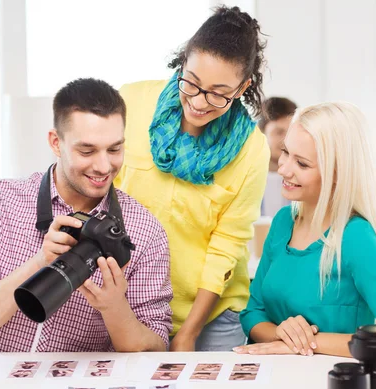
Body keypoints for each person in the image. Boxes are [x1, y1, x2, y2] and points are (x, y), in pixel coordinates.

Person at [0, 78, 173, 352]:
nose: (103, 166)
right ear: (56, 142)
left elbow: (155, 351)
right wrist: (41, 261)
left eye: (114, 149)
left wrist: (114, 307)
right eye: (87, 150)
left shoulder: (144, 230)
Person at [115, 5, 269, 352]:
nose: (199, 102)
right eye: (193, 83)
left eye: (218, 92)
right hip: (130, 302)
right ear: (183, 62)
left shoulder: (252, 150)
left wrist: (189, 332)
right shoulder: (131, 101)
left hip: (210, 313)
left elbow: (227, 244)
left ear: (243, 86)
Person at [235, 102, 376, 362]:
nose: (285, 168)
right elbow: (253, 314)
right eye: (285, 152)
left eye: (302, 163)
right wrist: (281, 332)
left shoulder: (355, 237)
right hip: (276, 376)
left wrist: (307, 342)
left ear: (337, 173)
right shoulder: (281, 223)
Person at [259, 97, 298, 216]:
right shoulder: (242, 180)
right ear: (261, 133)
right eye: (279, 132)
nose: (287, 140)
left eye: (291, 131)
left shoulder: (305, 181)